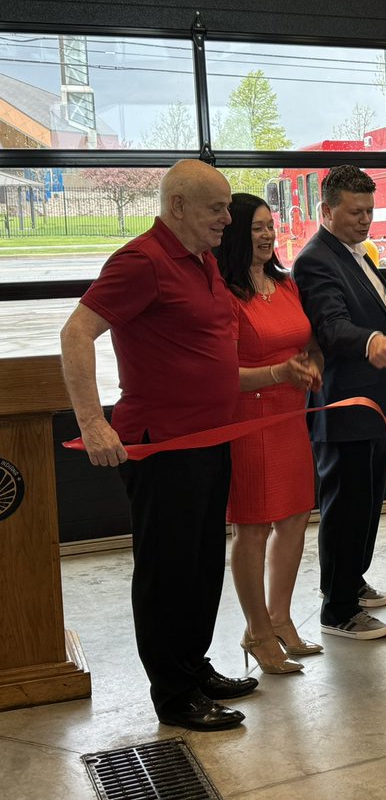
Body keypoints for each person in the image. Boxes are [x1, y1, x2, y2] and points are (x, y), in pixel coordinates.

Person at [59, 159, 256, 730]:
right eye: (217, 208)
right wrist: (94, 423)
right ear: (177, 208)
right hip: (162, 448)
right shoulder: (141, 261)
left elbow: (208, 356)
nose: (228, 218)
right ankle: (173, 696)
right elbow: (76, 333)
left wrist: (275, 375)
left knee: (199, 568)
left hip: (209, 442)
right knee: (168, 573)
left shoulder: (204, 262)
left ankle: (193, 669)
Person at [293, 165, 386, 641]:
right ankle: (337, 609)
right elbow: (332, 325)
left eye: (370, 211)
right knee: (345, 507)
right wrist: (371, 342)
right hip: (345, 405)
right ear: (326, 210)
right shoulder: (316, 260)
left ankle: (352, 581)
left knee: (365, 504)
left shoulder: (353, 252)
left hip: (374, 406)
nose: (366, 221)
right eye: (355, 212)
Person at [214, 193, 324, 673]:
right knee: (253, 527)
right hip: (249, 418)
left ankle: (280, 618)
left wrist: (311, 368)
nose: (267, 234)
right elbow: (220, 373)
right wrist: (279, 373)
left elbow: (309, 344)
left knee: (296, 517)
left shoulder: (286, 285)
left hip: (290, 415)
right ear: (236, 232)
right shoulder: (222, 294)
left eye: (269, 225)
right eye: (256, 227)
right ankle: (256, 630)